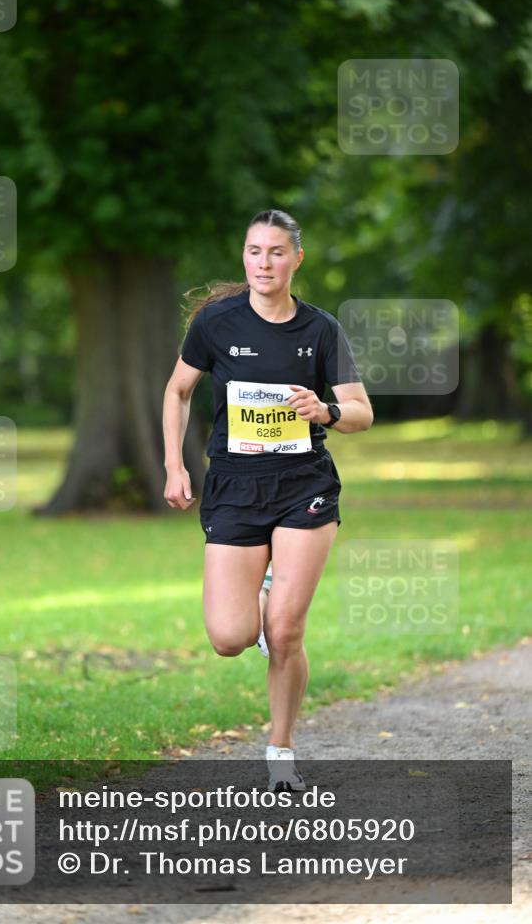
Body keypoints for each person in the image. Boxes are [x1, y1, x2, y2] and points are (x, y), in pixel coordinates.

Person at [162, 209, 373, 791]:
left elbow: (361, 411)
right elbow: (178, 391)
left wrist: (325, 410)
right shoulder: (216, 322)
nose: (264, 262)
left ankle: (281, 750)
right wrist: (174, 465)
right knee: (230, 638)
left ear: (296, 259)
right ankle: (258, 586)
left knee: (283, 631)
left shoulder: (320, 329)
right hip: (233, 486)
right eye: (255, 251)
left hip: (304, 486)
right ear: (245, 258)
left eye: (277, 252)